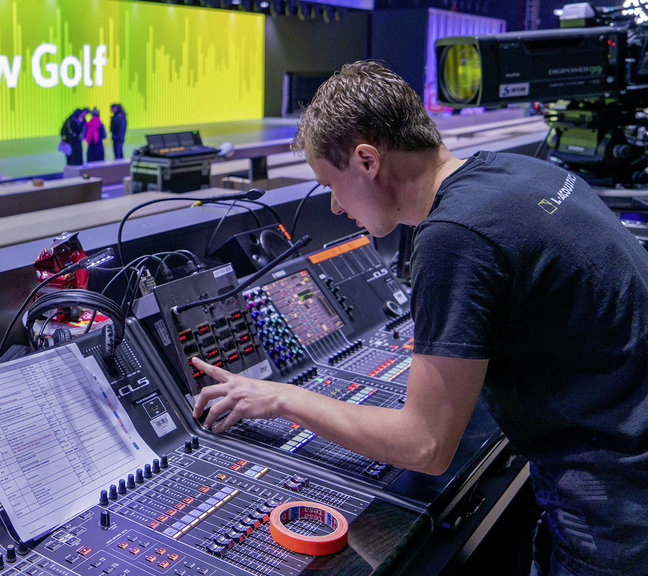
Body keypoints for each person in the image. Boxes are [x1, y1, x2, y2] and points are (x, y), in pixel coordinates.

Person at [191, 60, 648, 576]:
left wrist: (282, 397)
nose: (338, 208)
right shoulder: (520, 171)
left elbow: (425, 445)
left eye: (332, 185)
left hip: (616, 505)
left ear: (367, 160)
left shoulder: (454, 236)